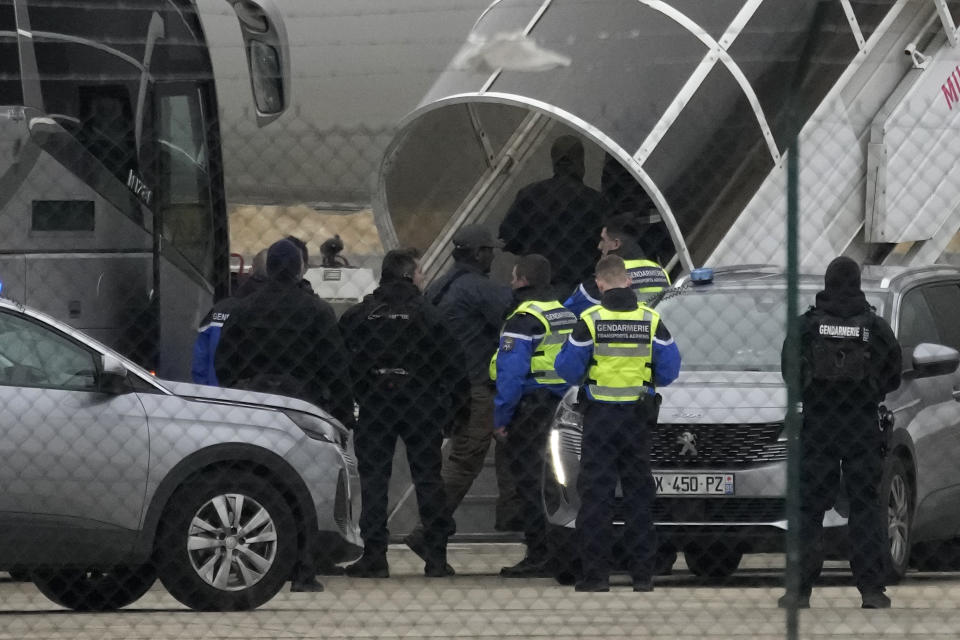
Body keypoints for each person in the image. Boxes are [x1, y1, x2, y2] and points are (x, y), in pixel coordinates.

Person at [215, 238, 354, 592]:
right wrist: (340, 413)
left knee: (253, 480)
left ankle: (252, 557)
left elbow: (224, 363)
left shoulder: (243, 310)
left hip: (254, 403)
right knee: (305, 484)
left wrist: (238, 392)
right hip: (302, 406)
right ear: (299, 269)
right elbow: (335, 367)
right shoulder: (317, 311)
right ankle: (304, 568)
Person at [779, 257, 901, 610]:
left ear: (827, 283)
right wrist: (870, 390)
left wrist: (813, 393)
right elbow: (893, 372)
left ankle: (799, 591)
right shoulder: (875, 327)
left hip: (818, 426)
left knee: (809, 508)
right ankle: (871, 591)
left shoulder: (806, 326)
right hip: (862, 426)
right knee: (865, 507)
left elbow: (789, 370)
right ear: (858, 283)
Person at [338, 249, 470, 578]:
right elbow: (454, 364)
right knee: (428, 478)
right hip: (421, 404)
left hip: (374, 404)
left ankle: (374, 555)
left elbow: (339, 362)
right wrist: (457, 408)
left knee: (374, 481)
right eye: (421, 273)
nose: (424, 280)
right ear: (410, 275)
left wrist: (350, 400)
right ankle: (436, 557)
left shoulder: (359, 316)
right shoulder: (430, 314)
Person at [555, 255, 681, 592]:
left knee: (596, 496)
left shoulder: (590, 320)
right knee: (639, 495)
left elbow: (565, 368)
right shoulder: (651, 320)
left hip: (600, 419)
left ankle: (595, 576)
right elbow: (670, 370)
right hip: (637, 419)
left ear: (599, 284)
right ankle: (643, 575)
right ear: (628, 282)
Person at [403, 225, 519, 558]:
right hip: (476, 386)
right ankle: (429, 528)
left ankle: (510, 513)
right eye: (489, 251)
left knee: (473, 451)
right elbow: (516, 318)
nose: (493, 256)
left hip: (446, 389)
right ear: (479, 253)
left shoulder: (438, 288)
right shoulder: (480, 290)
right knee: (466, 458)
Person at [490, 254, 577, 577]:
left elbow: (511, 374)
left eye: (513, 278)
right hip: (563, 404)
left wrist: (501, 417)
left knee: (530, 483)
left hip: (531, 407)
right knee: (559, 482)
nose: (511, 284)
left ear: (523, 280)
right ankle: (561, 549)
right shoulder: (564, 312)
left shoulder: (522, 318)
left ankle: (539, 553)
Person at [499, 135, 606, 290]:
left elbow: (508, 238)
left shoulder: (529, 194)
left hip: (536, 281)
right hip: (580, 283)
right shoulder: (596, 201)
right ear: (581, 162)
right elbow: (606, 242)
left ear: (554, 161)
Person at [564, 213, 670, 317]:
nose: (599, 246)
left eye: (603, 240)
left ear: (616, 244)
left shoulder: (606, 275)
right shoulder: (660, 272)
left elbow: (567, 314)